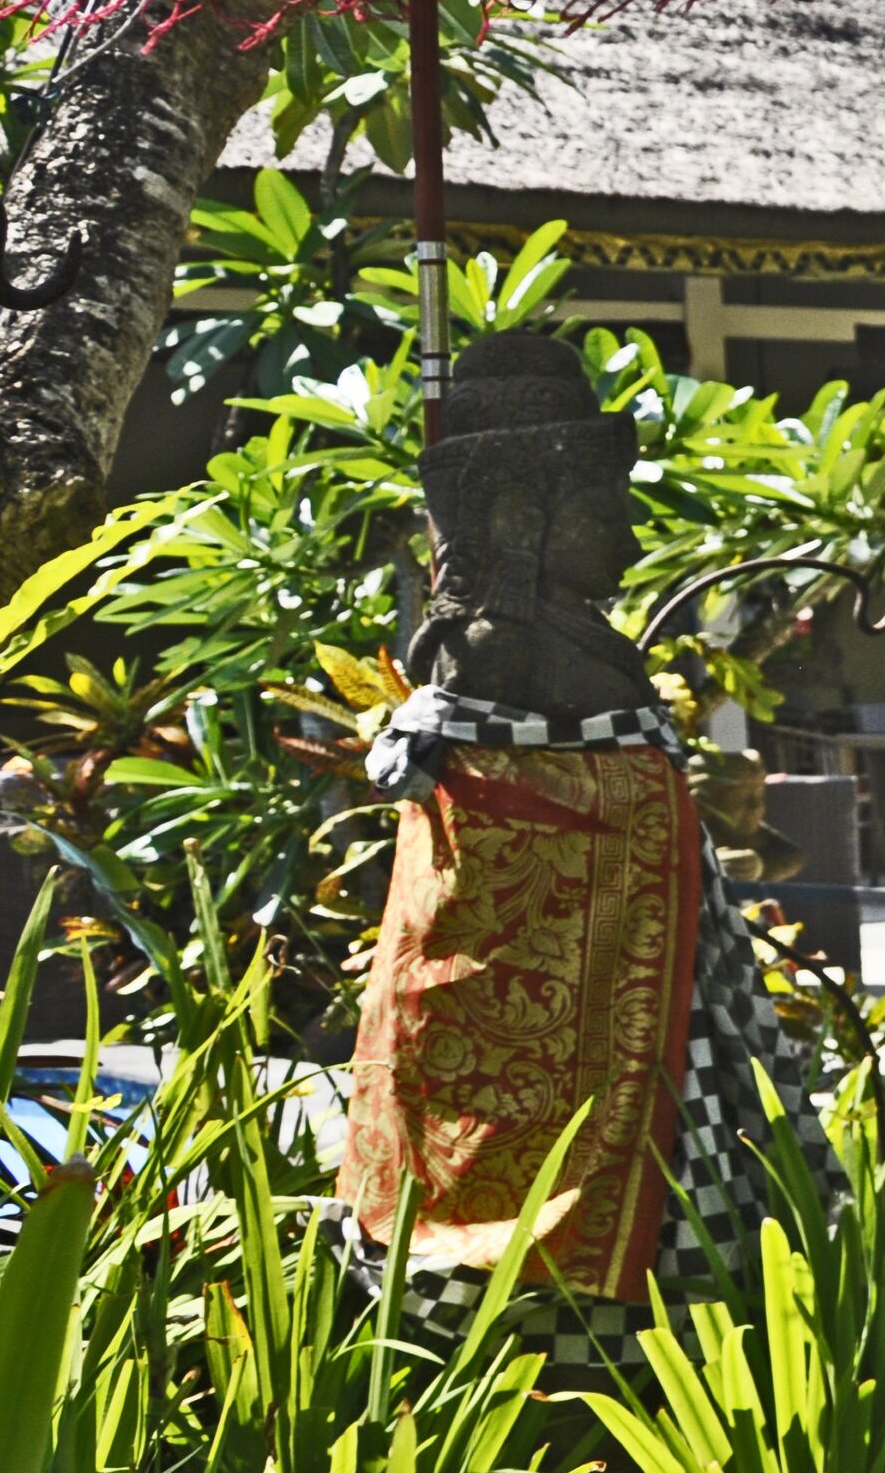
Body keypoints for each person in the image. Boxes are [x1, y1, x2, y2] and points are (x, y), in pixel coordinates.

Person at [338, 331, 827, 1367]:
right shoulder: (496, 652)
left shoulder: (557, 642)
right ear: (523, 520)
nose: (634, 535)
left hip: (636, 988)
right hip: (557, 998)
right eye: (610, 510)